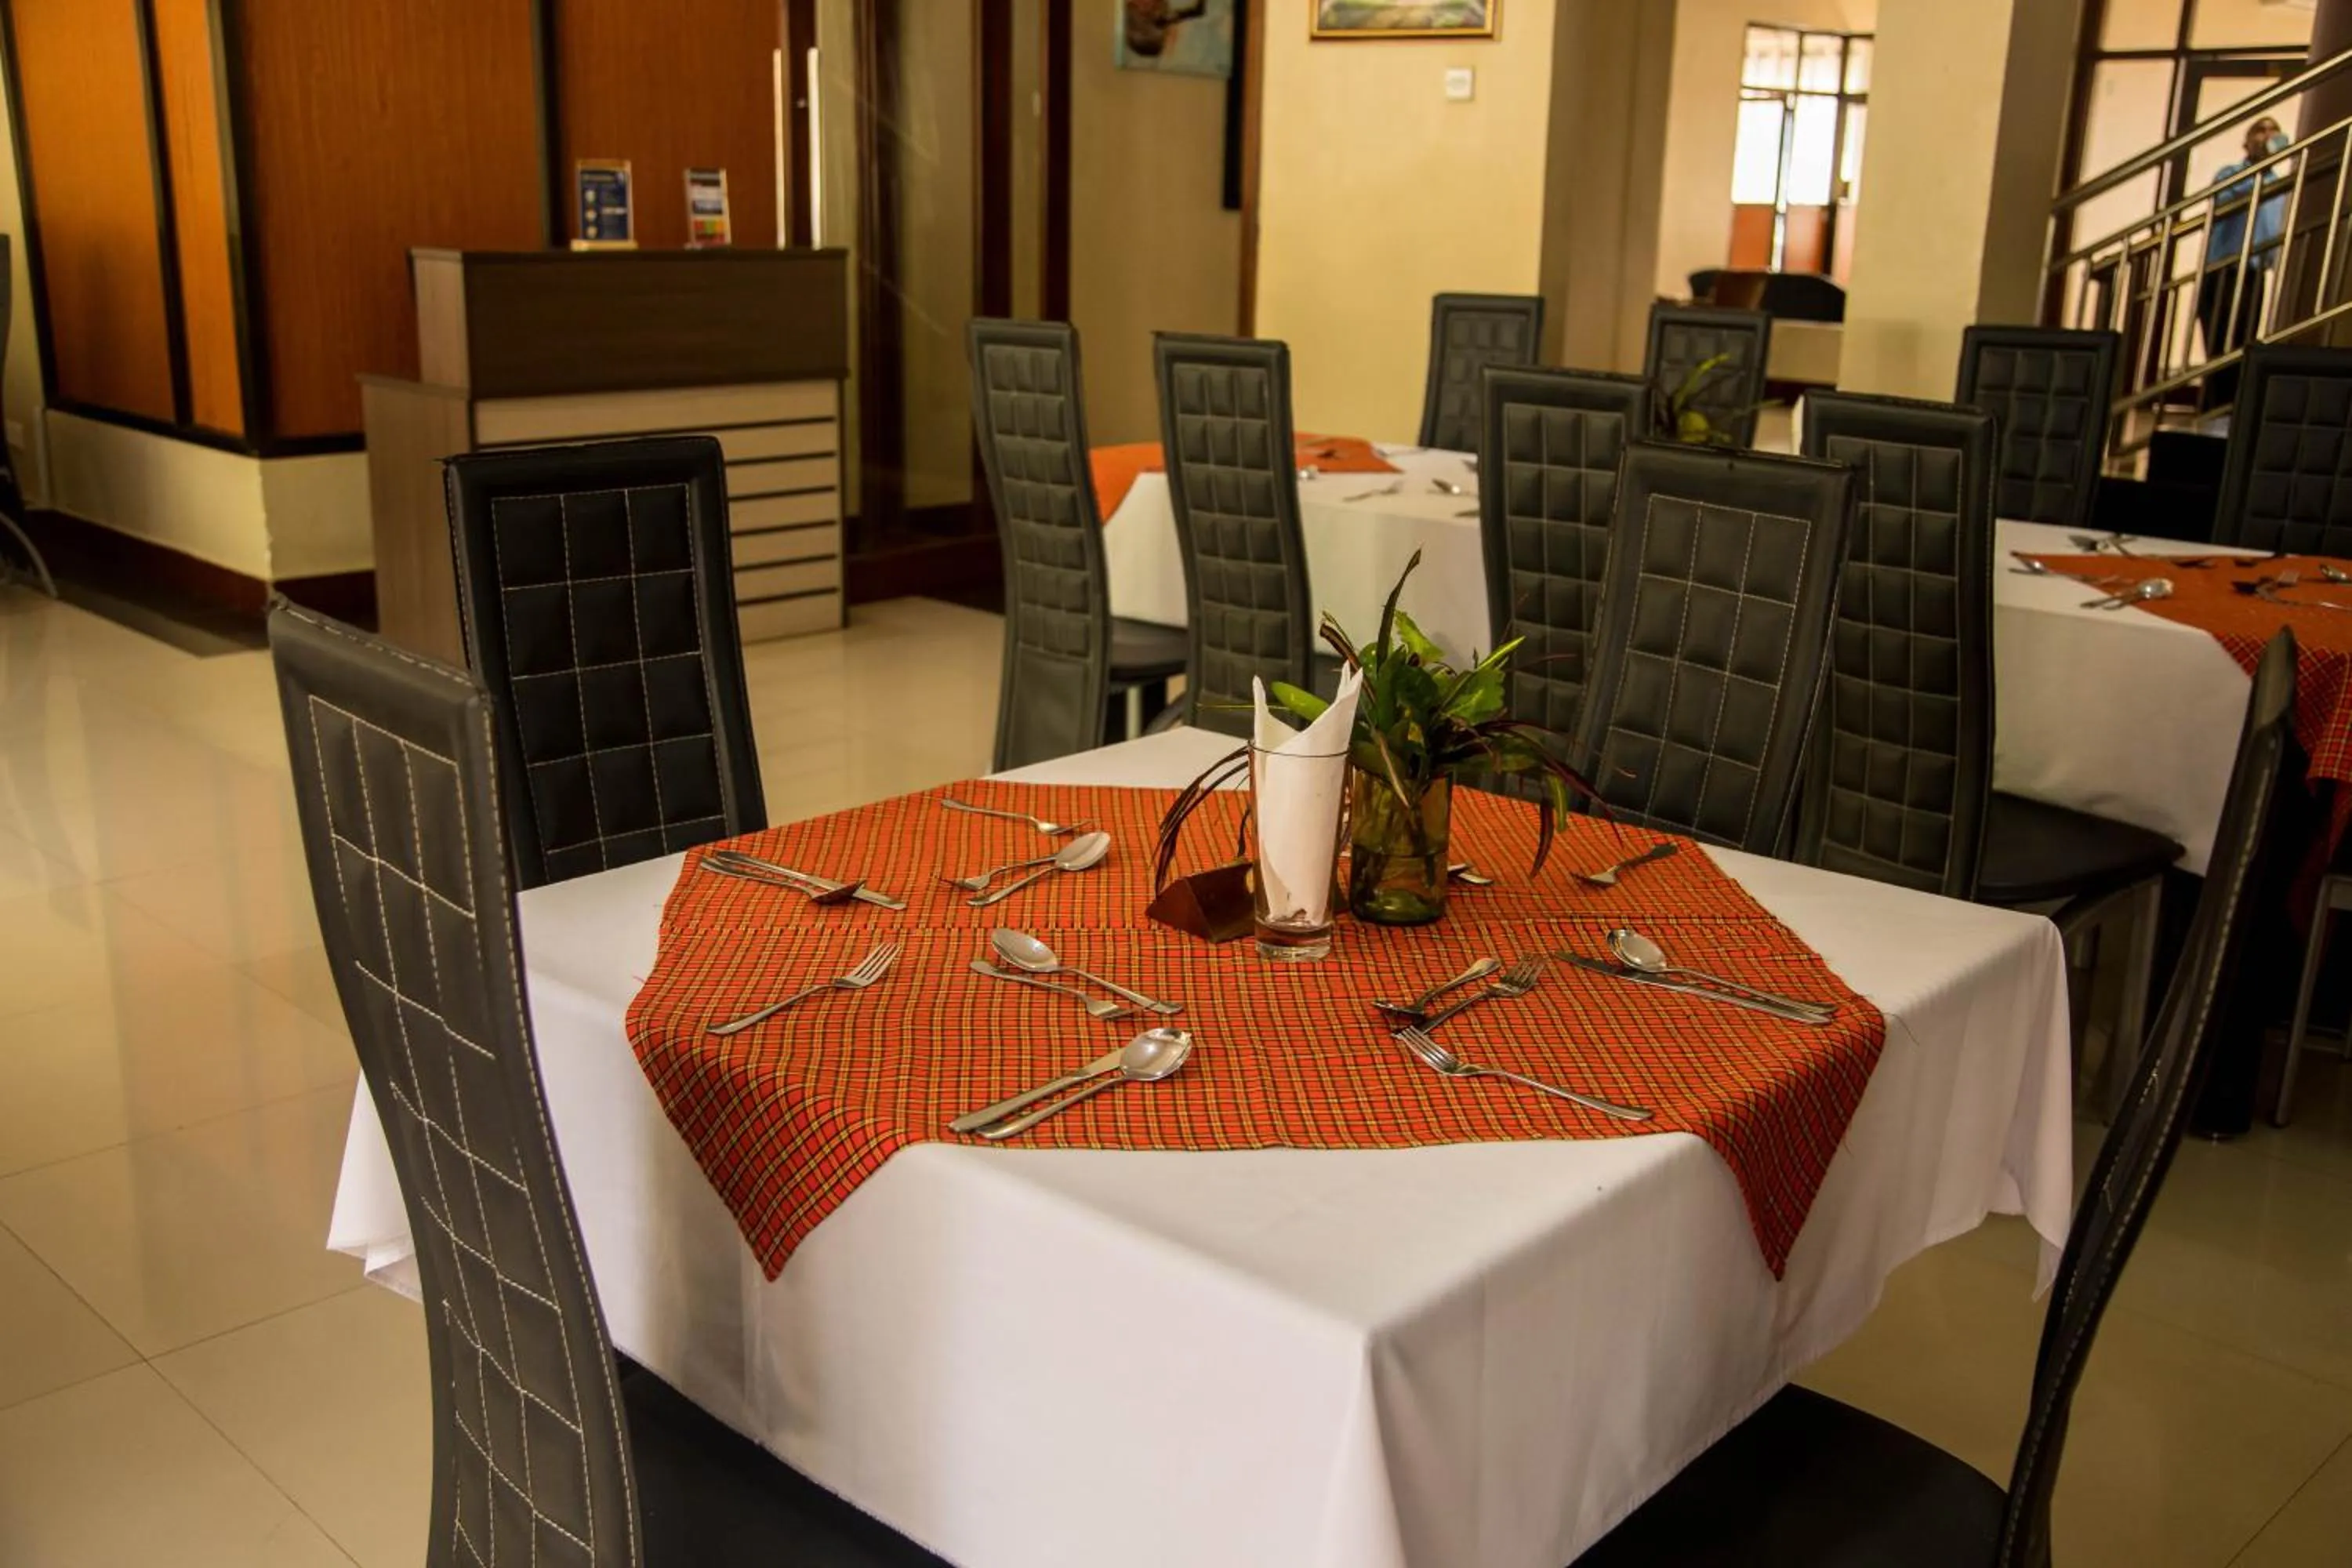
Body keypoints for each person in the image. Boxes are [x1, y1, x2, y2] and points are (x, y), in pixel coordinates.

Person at [2198, 115, 2292, 402]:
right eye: (2260, 131)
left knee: (2245, 344)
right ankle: (2214, 408)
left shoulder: (2280, 184)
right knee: (2221, 345)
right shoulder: (2230, 174)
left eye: (2273, 131)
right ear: (2247, 140)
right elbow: (2229, 198)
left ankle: (2232, 410)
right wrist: (2262, 166)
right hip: (2223, 270)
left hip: (2254, 272)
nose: (2267, 136)